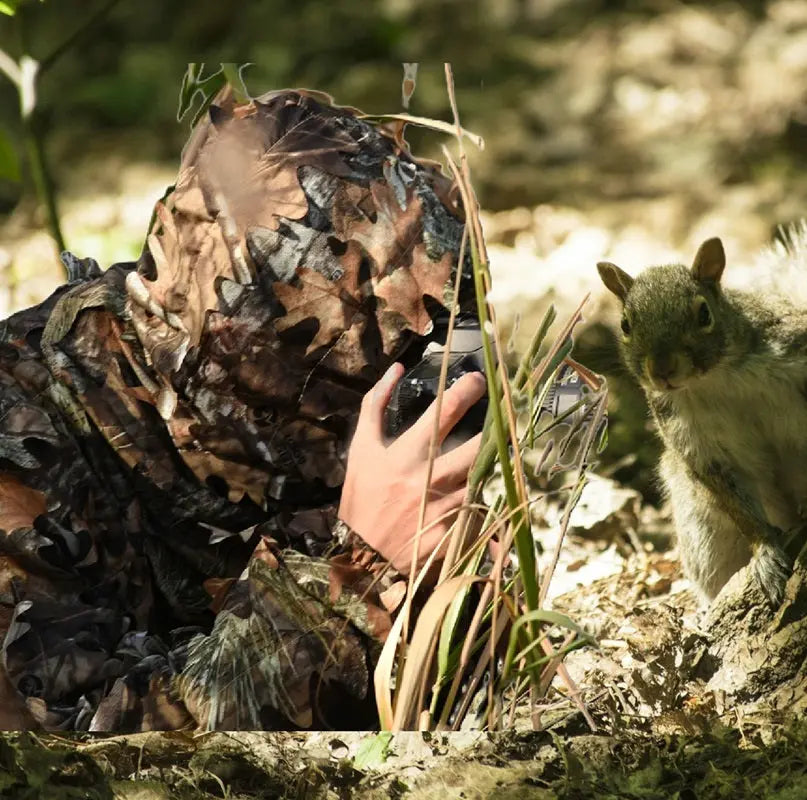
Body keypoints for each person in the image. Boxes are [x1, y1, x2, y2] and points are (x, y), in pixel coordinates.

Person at [0, 88, 484, 731]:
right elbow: (84, 751)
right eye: (370, 369)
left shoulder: (262, 425)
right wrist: (355, 572)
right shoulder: (22, 442)